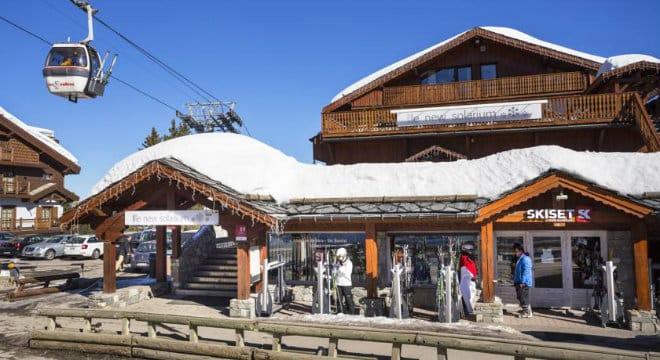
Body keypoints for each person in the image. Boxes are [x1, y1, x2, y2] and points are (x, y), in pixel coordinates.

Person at [513, 243, 533, 318]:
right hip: (519, 281)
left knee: (523, 297)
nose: (516, 253)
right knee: (521, 296)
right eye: (515, 251)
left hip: (523, 282)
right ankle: (527, 310)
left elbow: (526, 271)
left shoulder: (525, 259)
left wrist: (523, 282)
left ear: (521, 251)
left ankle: (526, 312)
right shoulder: (521, 258)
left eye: (516, 251)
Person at [334, 247, 355, 314]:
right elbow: (334, 271)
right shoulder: (338, 262)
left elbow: (347, 272)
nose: (339, 258)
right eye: (338, 257)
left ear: (344, 256)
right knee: (339, 299)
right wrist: (334, 269)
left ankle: (352, 312)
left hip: (346, 284)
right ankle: (340, 312)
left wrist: (339, 269)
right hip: (339, 283)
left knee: (348, 299)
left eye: (340, 257)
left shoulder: (349, 263)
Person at [458, 243, 477, 315]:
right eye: (470, 250)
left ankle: (469, 309)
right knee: (468, 294)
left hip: (469, 279)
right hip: (468, 278)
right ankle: (469, 309)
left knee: (469, 293)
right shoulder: (465, 258)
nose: (471, 252)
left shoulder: (466, 258)